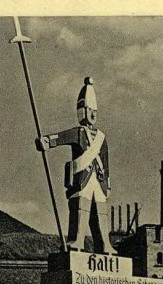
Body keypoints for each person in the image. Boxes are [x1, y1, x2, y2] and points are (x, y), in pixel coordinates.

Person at [36, 77, 116, 254]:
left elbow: (106, 161)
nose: (93, 114)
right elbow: (62, 137)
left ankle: (105, 245)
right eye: (89, 110)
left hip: (99, 180)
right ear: (83, 111)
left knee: (100, 215)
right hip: (83, 178)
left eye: (95, 110)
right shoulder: (78, 133)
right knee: (80, 210)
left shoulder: (102, 138)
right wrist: (47, 142)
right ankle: (77, 241)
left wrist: (108, 184)